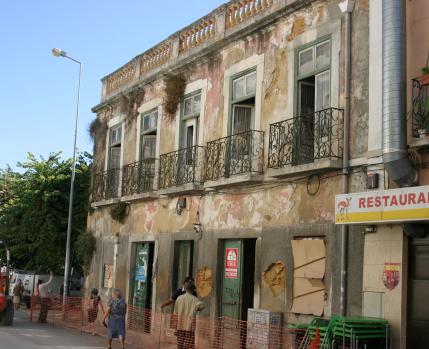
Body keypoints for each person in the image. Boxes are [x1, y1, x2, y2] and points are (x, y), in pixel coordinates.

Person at [173, 280, 204, 349]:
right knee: (189, 344)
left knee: (180, 344)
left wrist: (175, 327)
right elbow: (202, 306)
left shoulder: (179, 298)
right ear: (193, 290)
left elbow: (175, 313)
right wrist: (197, 308)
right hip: (190, 326)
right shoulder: (196, 300)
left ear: (185, 288)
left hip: (180, 325)